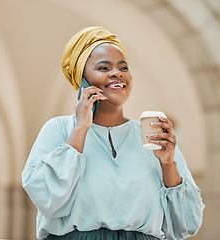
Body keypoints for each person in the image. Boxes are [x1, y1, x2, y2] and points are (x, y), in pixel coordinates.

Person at [22, 26, 205, 240]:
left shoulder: (149, 137)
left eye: (124, 67)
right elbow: (47, 199)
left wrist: (168, 164)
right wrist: (81, 128)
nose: (117, 73)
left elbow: (186, 224)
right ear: (83, 80)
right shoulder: (59, 129)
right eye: (103, 67)